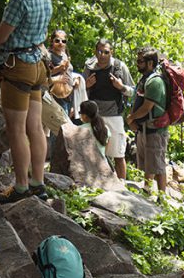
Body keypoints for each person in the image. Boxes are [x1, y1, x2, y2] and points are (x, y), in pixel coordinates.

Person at [0, 0, 60, 204]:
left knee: (17, 130)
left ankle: (20, 187)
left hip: (17, 67)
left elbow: (1, 37)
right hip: (37, 68)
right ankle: (37, 183)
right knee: (35, 128)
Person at [84, 39, 134, 180]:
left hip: (115, 115)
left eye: (106, 52)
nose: (103, 55)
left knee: (118, 154)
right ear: (95, 52)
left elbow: (133, 91)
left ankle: (122, 185)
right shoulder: (89, 67)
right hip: (94, 116)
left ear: (111, 52)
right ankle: (95, 183)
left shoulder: (119, 67)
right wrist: (86, 86)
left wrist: (121, 87)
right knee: (93, 153)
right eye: (100, 51)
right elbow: (81, 93)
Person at [126, 47, 169, 192]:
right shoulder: (144, 79)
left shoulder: (155, 82)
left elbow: (147, 107)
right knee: (150, 163)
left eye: (140, 61)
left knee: (158, 164)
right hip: (145, 128)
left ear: (150, 63)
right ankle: (147, 190)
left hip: (155, 130)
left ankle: (162, 197)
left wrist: (131, 118)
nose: (137, 64)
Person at [47, 29, 79, 120]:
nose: (60, 43)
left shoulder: (64, 55)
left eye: (63, 41)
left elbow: (69, 72)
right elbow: (45, 74)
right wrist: (59, 69)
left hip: (67, 95)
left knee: (64, 127)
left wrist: (76, 78)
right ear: (51, 41)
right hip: (55, 95)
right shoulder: (49, 56)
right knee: (59, 126)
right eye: (57, 40)